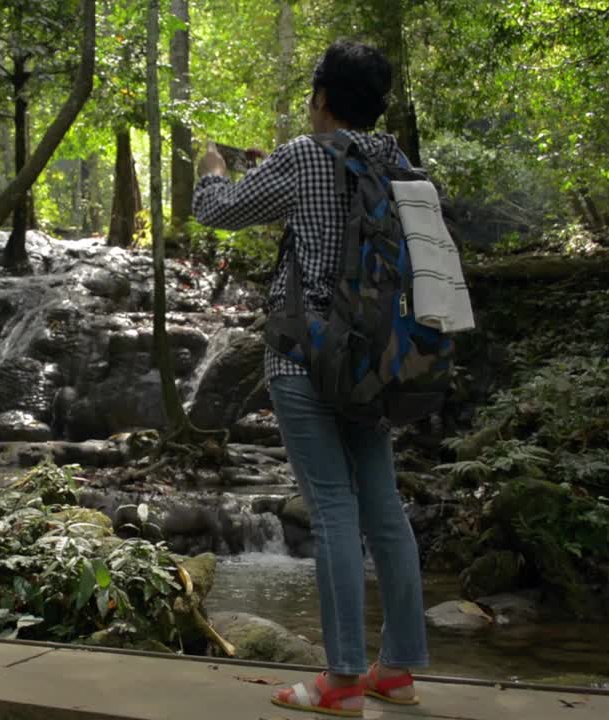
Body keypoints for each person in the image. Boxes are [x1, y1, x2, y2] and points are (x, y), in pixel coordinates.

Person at [193, 39, 429, 717]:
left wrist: (212, 168)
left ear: (321, 97)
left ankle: (342, 680)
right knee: (382, 509)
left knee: (330, 511)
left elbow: (218, 210)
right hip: (376, 358)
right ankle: (399, 670)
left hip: (304, 354)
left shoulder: (303, 156)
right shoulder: (394, 160)